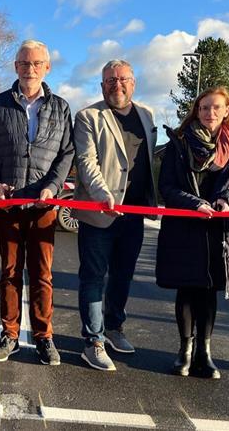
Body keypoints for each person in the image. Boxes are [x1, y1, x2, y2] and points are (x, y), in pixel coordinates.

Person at [0, 40, 74, 366]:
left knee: (42, 274)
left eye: (36, 63)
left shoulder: (61, 107)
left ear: (47, 67)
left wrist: (53, 186)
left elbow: (67, 154)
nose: (29, 69)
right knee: (9, 273)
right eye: (23, 63)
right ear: (15, 66)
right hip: (7, 206)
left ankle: (43, 337)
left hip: (44, 207)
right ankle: (9, 335)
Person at [156, 86, 229, 379]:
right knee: (187, 289)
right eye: (204, 108)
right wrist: (195, 203)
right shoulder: (178, 143)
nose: (209, 113)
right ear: (196, 112)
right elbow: (167, 186)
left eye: (216, 107)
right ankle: (184, 353)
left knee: (210, 291)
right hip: (185, 228)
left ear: (227, 111)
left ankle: (205, 354)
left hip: (222, 231)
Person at [72, 59, 158, 371]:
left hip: (134, 215)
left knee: (123, 275)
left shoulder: (147, 116)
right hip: (99, 213)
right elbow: (86, 161)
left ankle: (113, 328)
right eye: (109, 80)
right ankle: (92, 341)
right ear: (101, 86)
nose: (116, 85)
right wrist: (102, 194)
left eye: (122, 79)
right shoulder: (87, 117)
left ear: (133, 83)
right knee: (93, 277)